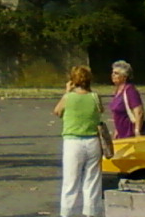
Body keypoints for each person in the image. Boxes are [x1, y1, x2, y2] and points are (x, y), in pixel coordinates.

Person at [52, 65, 104, 217]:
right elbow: (100, 110)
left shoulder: (68, 97)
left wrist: (67, 91)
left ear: (73, 80)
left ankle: (68, 213)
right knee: (92, 181)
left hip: (73, 142)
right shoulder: (95, 97)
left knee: (71, 182)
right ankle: (92, 213)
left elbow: (57, 111)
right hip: (93, 140)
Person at [109, 61, 145, 138]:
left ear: (125, 76)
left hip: (131, 134)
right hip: (122, 134)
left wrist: (137, 131)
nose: (113, 75)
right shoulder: (118, 91)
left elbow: (139, 112)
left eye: (116, 73)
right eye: (113, 73)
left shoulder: (130, 90)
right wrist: (116, 131)